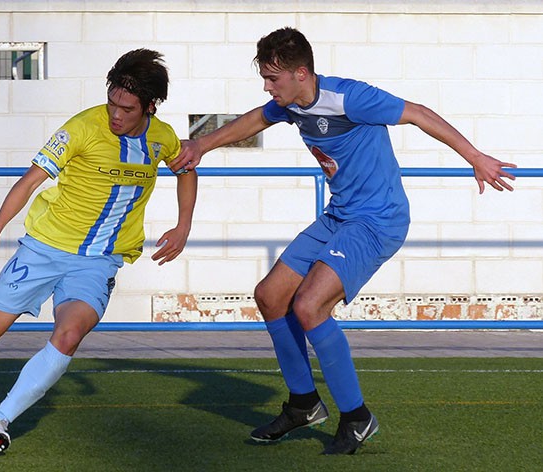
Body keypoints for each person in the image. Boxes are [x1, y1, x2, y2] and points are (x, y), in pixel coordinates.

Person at [171, 27, 515, 455]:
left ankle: (356, 417)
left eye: (272, 78)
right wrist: (202, 144)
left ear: (301, 73)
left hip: (377, 220)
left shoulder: (349, 97)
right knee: (270, 295)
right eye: (264, 77)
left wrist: (476, 158)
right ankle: (303, 403)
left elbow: (419, 113)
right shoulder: (289, 104)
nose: (266, 86)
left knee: (309, 305)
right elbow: (257, 118)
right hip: (339, 216)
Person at [0, 48, 197, 454]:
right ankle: (9, 302)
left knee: (70, 333)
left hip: (98, 262)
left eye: (126, 108)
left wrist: (183, 226)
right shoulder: (80, 128)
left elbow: (187, 170)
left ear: (151, 106)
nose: (115, 114)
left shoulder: (160, 138)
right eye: (112, 102)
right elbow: (29, 180)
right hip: (44, 248)